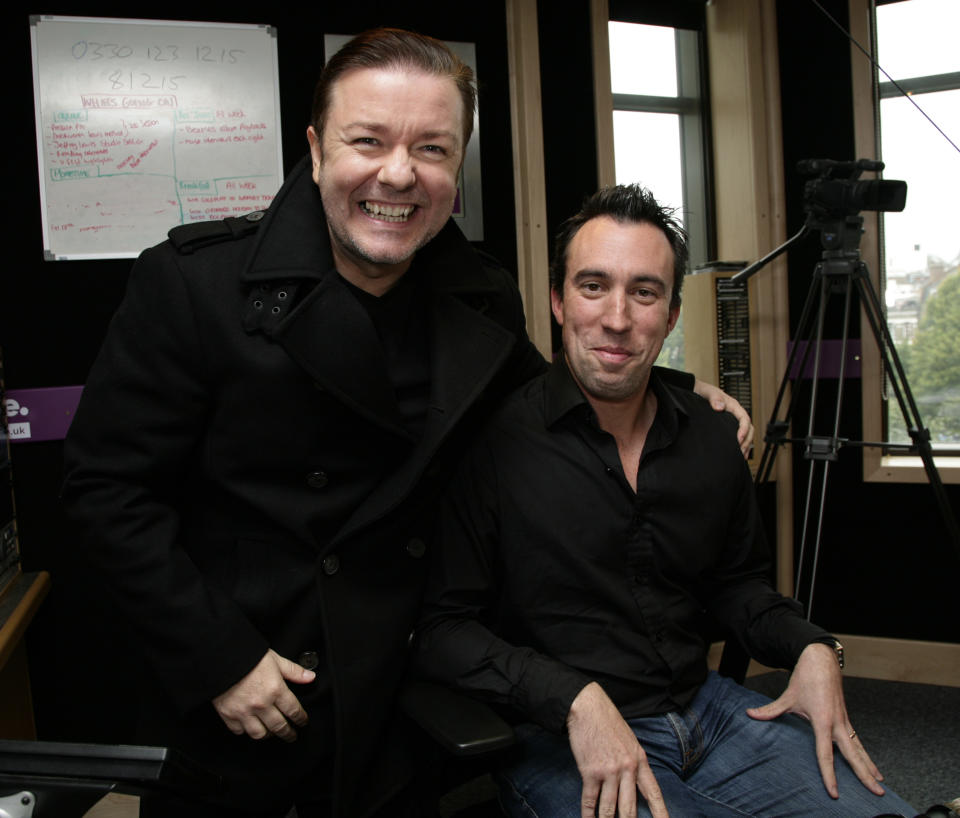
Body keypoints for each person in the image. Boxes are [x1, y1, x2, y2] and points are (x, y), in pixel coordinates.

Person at [61, 29, 750, 818]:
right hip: (256, 686)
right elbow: (105, 492)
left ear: (457, 170)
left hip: (408, 689)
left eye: (432, 149)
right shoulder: (193, 286)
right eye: (368, 140)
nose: (398, 173)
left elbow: (547, 394)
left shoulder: (479, 293)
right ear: (317, 149)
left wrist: (676, 387)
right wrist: (218, 656)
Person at [414, 184, 917, 818]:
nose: (618, 318)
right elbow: (439, 631)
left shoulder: (710, 435)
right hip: (562, 736)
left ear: (672, 314)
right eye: (593, 287)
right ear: (557, 302)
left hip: (714, 713)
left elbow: (739, 587)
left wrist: (813, 645)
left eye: (644, 292)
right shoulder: (488, 443)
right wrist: (573, 697)